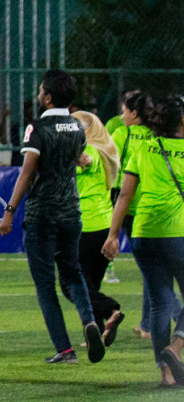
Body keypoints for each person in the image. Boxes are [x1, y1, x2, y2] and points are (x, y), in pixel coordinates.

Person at [0, 69, 105, 365]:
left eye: (40, 90)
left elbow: (28, 171)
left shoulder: (37, 128)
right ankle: (88, 320)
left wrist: (9, 211)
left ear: (47, 97)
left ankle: (65, 349)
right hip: (71, 213)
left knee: (45, 285)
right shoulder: (77, 127)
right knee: (73, 274)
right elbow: (77, 158)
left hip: (42, 214)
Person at [104, 94, 184, 387]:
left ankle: (166, 375)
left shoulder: (143, 147)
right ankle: (175, 348)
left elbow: (124, 195)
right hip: (178, 232)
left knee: (161, 303)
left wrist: (113, 236)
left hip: (143, 234)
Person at [70, 110, 124, 344]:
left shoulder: (89, 150)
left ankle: (110, 310)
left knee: (70, 283)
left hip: (86, 226)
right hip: (105, 226)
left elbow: (87, 161)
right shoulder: (107, 151)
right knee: (91, 282)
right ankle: (98, 329)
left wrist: (80, 158)